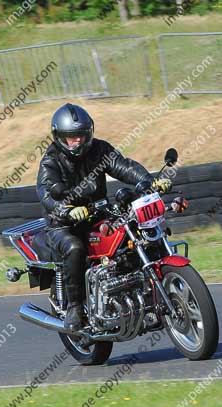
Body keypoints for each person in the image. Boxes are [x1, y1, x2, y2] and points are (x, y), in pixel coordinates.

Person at [36, 103, 171, 329]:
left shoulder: (99, 150)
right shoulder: (51, 161)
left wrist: (148, 181)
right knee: (74, 248)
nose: (77, 141)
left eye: (81, 135)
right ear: (60, 137)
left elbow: (123, 166)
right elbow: (47, 193)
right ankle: (75, 307)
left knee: (131, 236)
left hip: (97, 213)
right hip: (63, 224)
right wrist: (66, 210)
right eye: (71, 137)